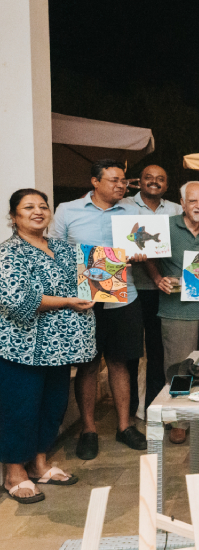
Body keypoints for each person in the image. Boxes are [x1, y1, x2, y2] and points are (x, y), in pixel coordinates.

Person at [0, 189, 95, 503]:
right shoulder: (8, 252)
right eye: (28, 207)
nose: (38, 211)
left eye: (43, 206)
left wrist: (104, 282)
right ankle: (14, 472)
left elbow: (91, 280)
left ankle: (39, 463)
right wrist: (68, 300)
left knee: (53, 407)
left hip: (62, 348)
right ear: (13, 216)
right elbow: (17, 301)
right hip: (23, 347)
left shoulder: (64, 248)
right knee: (20, 409)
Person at [52, 159, 148, 459]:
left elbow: (143, 244)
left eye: (124, 181)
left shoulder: (132, 211)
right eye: (114, 180)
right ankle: (88, 430)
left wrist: (140, 254)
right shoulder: (68, 210)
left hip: (124, 297)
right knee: (88, 364)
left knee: (121, 363)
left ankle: (124, 426)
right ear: (95, 182)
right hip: (84, 300)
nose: (121, 185)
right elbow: (53, 252)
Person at [146, 182, 199, 445]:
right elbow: (148, 256)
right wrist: (157, 278)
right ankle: (179, 421)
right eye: (192, 201)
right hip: (175, 310)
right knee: (177, 367)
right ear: (182, 203)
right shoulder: (166, 227)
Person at [119, 165, 183, 415]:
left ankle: (153, 408)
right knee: (131, 353)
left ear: (167, 185)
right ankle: (130, 409)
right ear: (139, 181)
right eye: (148, 178)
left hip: (162, 291)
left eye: (160, 179)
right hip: (130, 289)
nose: (154, 182)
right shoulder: (123, 205)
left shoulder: (176, 209)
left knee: (158, 351)